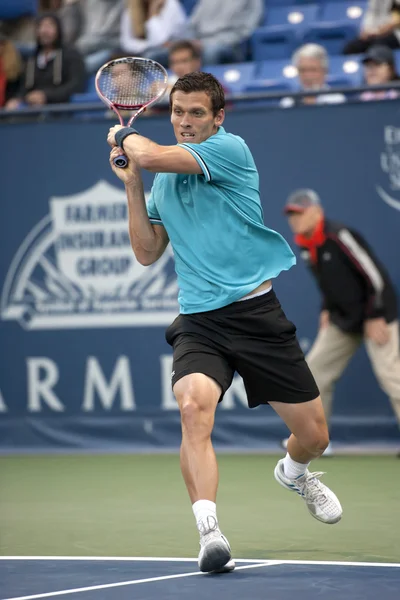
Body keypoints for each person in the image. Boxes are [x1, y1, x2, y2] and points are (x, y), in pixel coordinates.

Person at [106, 73, 343, 574]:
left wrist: (129, 142)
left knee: (316, 435)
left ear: (218, 118)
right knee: (193, 407)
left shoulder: (229, 151)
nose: (185, 122)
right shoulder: (164, 178)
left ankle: (294, 470)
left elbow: (147, 153)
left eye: (196, 113)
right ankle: (209, 532)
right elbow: (147, 252)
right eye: (178, 112)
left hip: (257, 316)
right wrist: (132, 186)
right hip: (199, 321)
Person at [284, 189, 400, 456]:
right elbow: (330, 282)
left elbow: (374, 276)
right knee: (314, 372)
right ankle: (317, 443)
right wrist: (327, 308)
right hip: (344, 320)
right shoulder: (306, 244)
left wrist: (375, 315)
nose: (294, 220)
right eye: (291, 215)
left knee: (392, 377)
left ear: (316, 212)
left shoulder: (339, 235)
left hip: (377, 314)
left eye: (299, 214)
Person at [5, 13, 85, 109]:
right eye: (40, 26)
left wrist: (46, 96)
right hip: (32, 112)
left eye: (49, 26)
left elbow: (76, 85)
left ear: (58, 30)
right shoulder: (32, 59)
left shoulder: (71, 55)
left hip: (62, 111)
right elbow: (24, 88)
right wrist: (17, 99)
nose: (44, 31)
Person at [281, 44, 346, 108]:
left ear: (324, 71)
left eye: (313, 70)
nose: (308, 76)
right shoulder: (288, 103)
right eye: (302, 70)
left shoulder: (337, 100)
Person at [120, 0, 187, 60]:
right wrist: (148, 46)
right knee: (117, 58)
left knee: (149, 57)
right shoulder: (132, 6)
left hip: (173, 48)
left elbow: (162, 40)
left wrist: (153, 13)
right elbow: (126, 42)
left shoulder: (170, 4)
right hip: (144, 50)